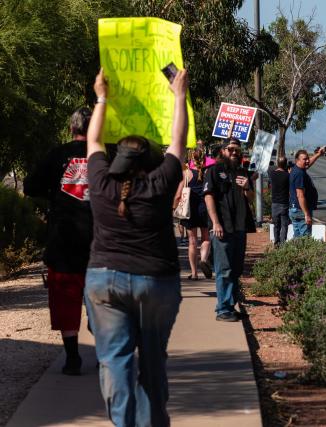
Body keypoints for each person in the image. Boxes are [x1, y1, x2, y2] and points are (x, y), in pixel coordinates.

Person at [83, 68, 188, 426]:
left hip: (105, 281)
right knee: (153, 361)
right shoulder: (160, 183)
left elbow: (92, 141)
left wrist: (102, 97)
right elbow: (178, 141)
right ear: (148, 162)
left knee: (115, 361)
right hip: (155, 282)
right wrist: (179, 95)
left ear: (117, 161)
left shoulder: (99, 181)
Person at [23, 107, 93, 376]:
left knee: (66, 300)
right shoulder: (105, 156)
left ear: (70, 128)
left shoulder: (56, 155)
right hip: (100, 242)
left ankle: (73, 358)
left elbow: (30, 187)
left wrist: (55, 192)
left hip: (63, 240)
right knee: (102, 301)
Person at [204, 138, 256, 322]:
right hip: (222, 228)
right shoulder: (214, 171)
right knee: (224, 269)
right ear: (223, 151)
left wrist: (247, 187)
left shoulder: (242, 172)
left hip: (240, 227)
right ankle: (223, 309)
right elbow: (209, 197)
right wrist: (215, 223)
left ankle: (231, 306)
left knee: (236, 269)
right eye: (231, 149)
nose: (235, 152)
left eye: (237, 150)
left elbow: (250, 199)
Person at [174, 148, 212, 280]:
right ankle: (204, 259)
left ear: (191, 158)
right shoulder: (208, 172)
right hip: (205, 208)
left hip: (190, 209)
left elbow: (179, 194)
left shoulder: (186, 173)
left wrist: (174, 207)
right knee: (206, 238)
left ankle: (194, 273)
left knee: (192, 242)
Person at [289, 148, 324, 237]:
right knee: (305, 238)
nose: (307, 161)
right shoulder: (299, 174)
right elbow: (300, 195)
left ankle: (294, 251)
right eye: (304, 159)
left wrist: (318, 154)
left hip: (294, 209)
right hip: (301, 210)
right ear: (297, 160)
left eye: (307, 158)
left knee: (297, 237)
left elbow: (308, 164)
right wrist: (306, 214)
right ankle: (303, 251)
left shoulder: (296, 169)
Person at [269, 156, 290, 244]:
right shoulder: (287, 175)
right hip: (284, 202)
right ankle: (283, 243)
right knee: (284, 225)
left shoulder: (272, 174)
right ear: (285, 164)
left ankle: (276, 242)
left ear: (277, 164)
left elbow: (270, 185)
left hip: (275, 203)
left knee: (276, 225)